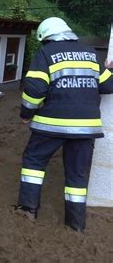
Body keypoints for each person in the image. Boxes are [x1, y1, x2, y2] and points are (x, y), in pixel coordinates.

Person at [15, 17, 113, 232]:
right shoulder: (90, 54)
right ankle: (75, 225)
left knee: (34, 163)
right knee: (77, 175)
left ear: (46, 37)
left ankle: (28, 210)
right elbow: (108, 86)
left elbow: (35, 89)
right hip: (86, 128)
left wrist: (26, 113)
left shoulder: (45, 54)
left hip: (50, 125)